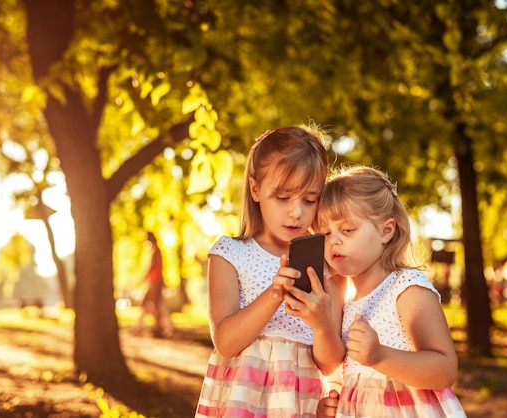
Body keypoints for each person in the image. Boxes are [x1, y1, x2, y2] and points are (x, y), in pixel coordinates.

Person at [195, 126, 344, 417]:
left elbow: (330, 363)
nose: (296, 212)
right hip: (242, 401)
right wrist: (275, 293)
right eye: (283, 197)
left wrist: (322, 324)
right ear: (255, 189)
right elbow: (225, 343)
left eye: (309, 199)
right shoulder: (230, 254)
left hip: (300, 402)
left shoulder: (330, 269)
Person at [314, 165, 467, 417]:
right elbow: (349, 374)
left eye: (347, 229)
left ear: (386, 231)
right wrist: (331, 400)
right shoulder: (347, 301)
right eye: (325, 232)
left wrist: (380, 356)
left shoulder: (406, 288)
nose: (334, 240)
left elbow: (445, 370)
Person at [134, 231, 174, 338]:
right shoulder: (155, 251)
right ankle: (164, 328)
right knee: (157, 305)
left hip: (155, 283)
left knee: (156, 305)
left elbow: (153, 267)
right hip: (154, 282)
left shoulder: (156, 251)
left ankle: (161, 328)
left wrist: (143, 278)